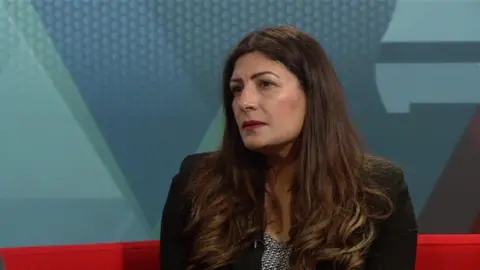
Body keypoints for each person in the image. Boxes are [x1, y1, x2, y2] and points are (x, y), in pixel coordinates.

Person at [160, 26, 418, 270]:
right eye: (237, 89)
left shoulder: (379, 190)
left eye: (265, 84)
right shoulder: (197, 183)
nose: (244, 102)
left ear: (313, 93)